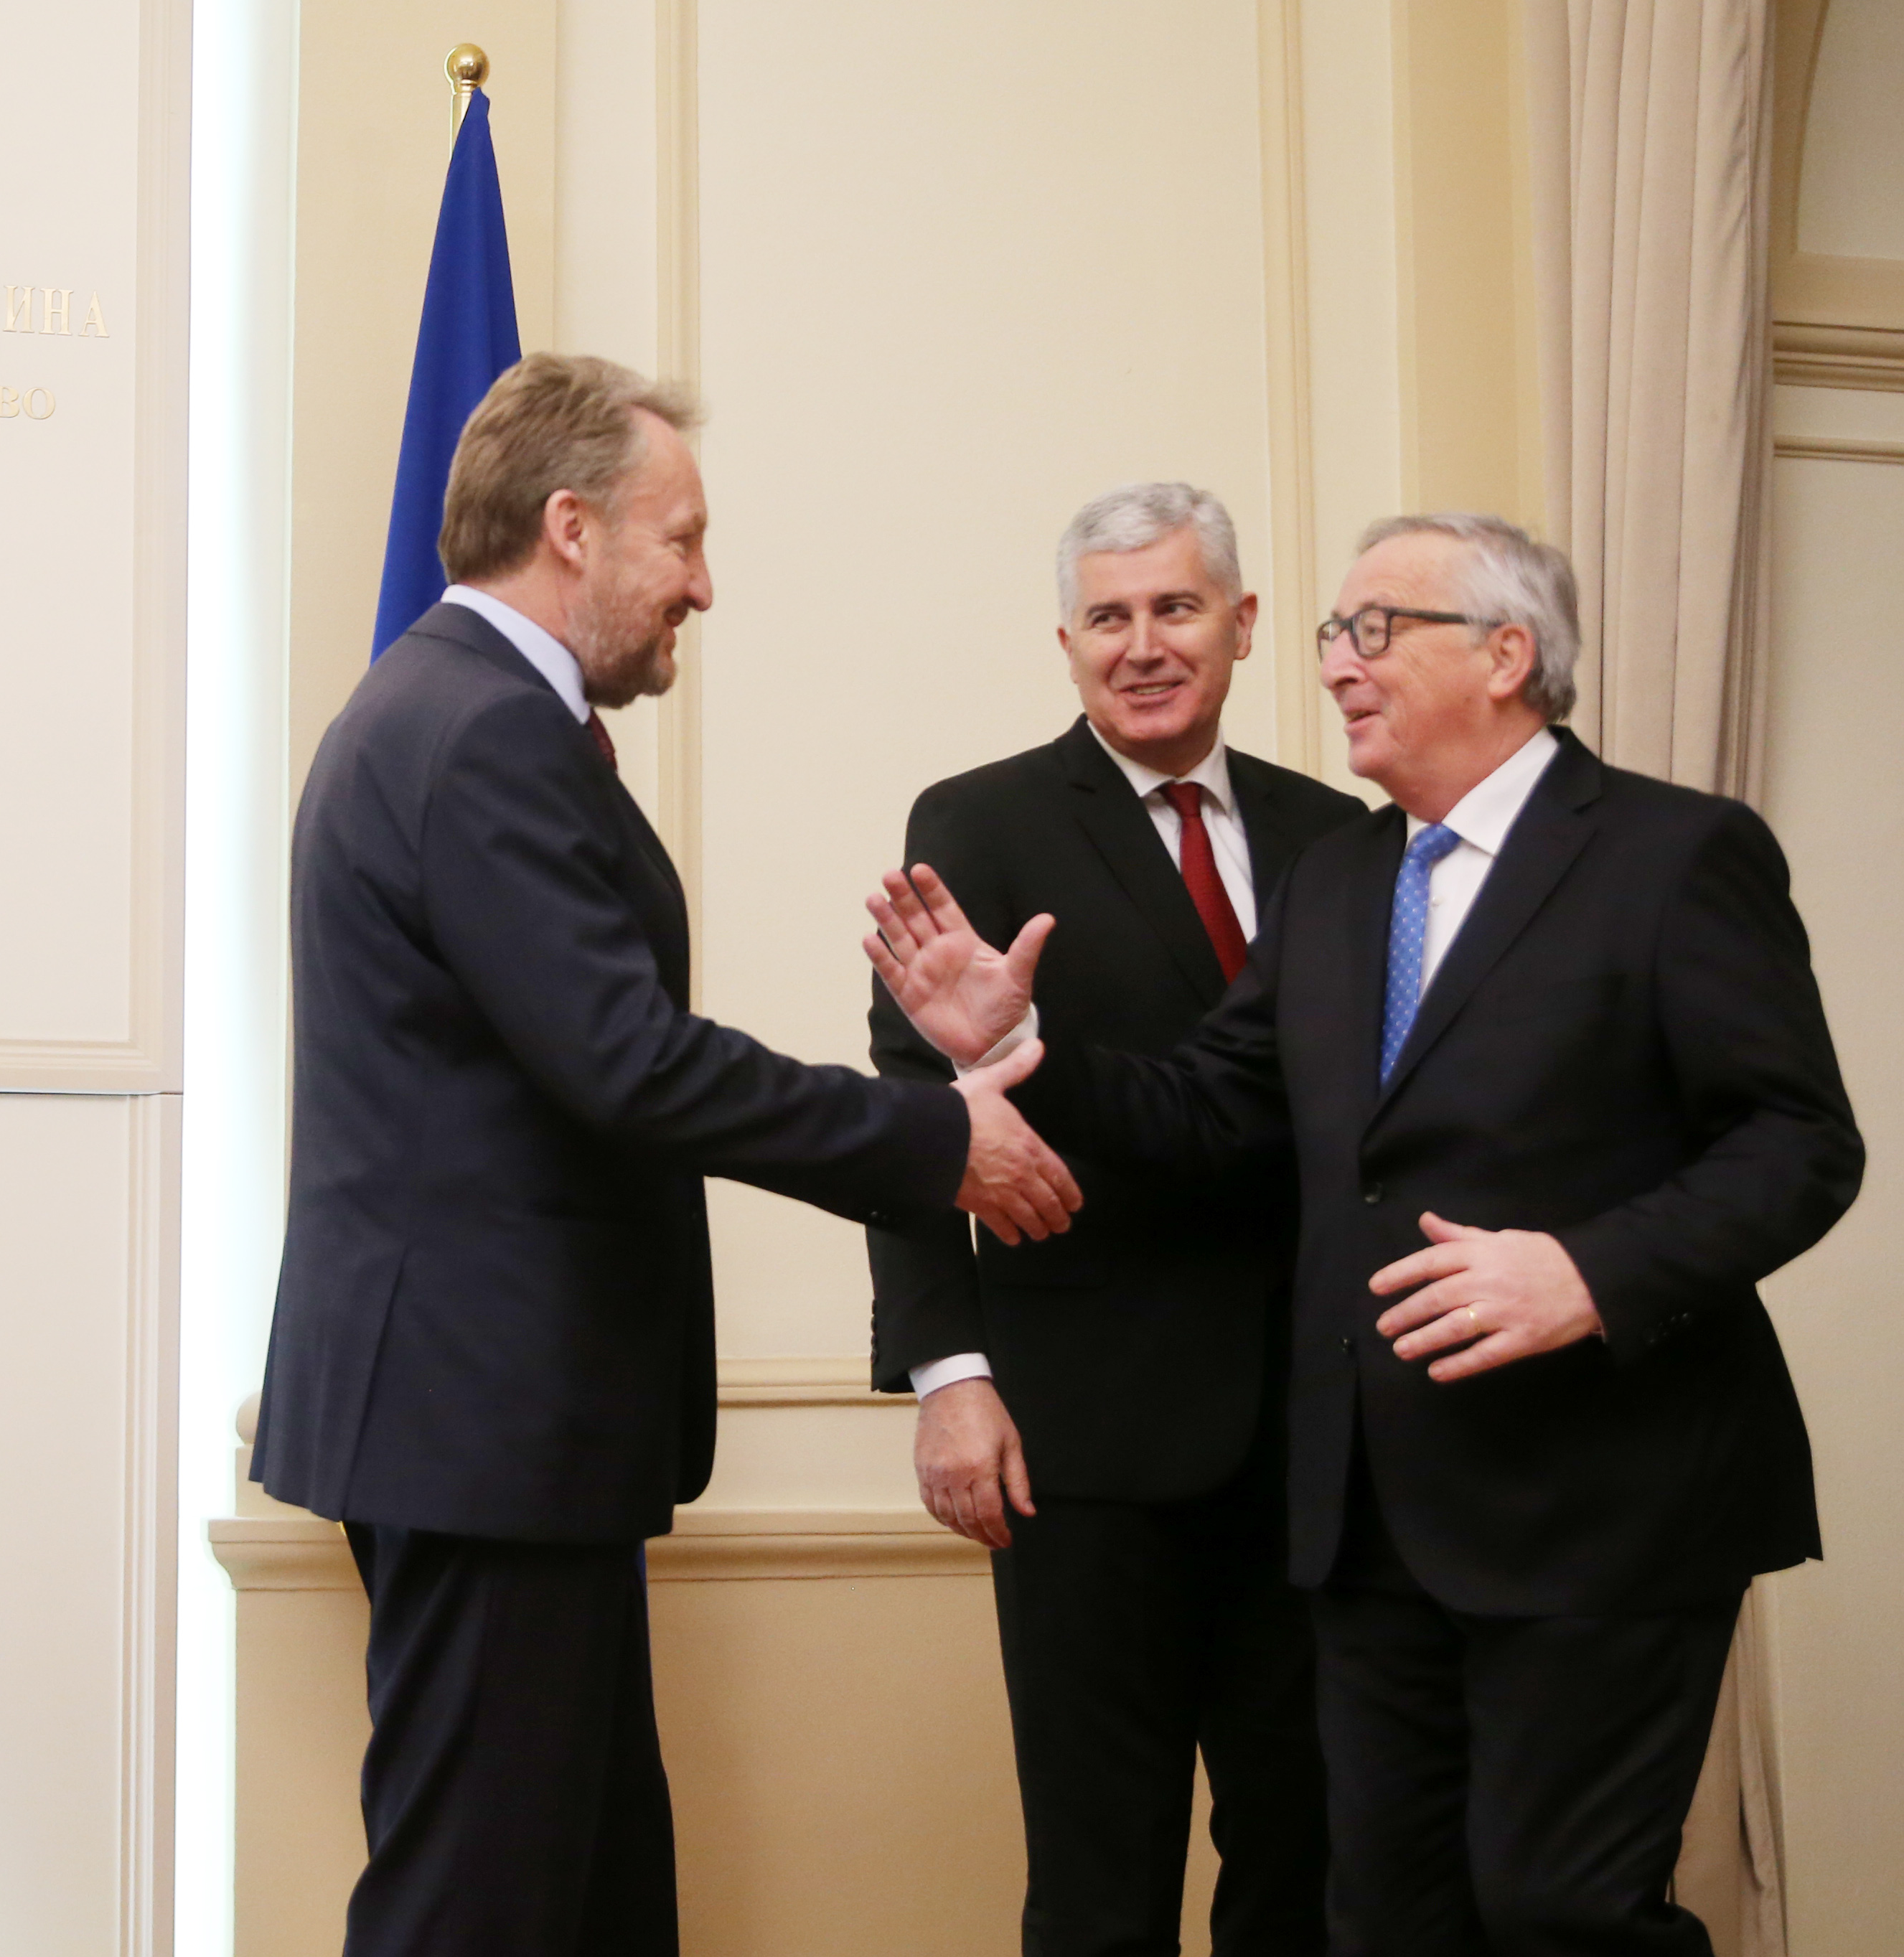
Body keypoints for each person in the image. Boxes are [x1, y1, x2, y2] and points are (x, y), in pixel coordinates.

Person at [868, 513, 1864, 1957]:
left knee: (1558, 1908)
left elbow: (1801, 1144)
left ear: (1508, 654)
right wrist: (1019, 1039)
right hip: (1367, 1521)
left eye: (1373, 630)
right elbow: (1209, 1105)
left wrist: (1589, 1271)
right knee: (1382, 1917)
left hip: (1602, 1498)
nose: (1337, 665)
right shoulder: (1345, 878)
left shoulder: (1675, 852)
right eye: (1336, 634)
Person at [252, 351, 1083, 1957]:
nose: (704, 582)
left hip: (500, 1418)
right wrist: (937, 1139)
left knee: (583, 1883)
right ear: (571, 526)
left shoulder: (459, 708)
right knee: (482, 1902)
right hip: (481, 1415)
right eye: (682, 538)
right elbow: (624, 1059)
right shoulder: (479, 728)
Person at [868, 483, 1360, 1956]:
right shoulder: (982, 821)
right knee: (1101, 1876)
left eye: (1176, 607)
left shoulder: (1342, 838)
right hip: (1081, 1440)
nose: (1144, 644)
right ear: (1069, 643)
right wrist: (949, 1382)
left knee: (1314, 1856)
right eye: (1110, 616)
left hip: (1318, 1450)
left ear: (1242, 625)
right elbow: (911, 1121)